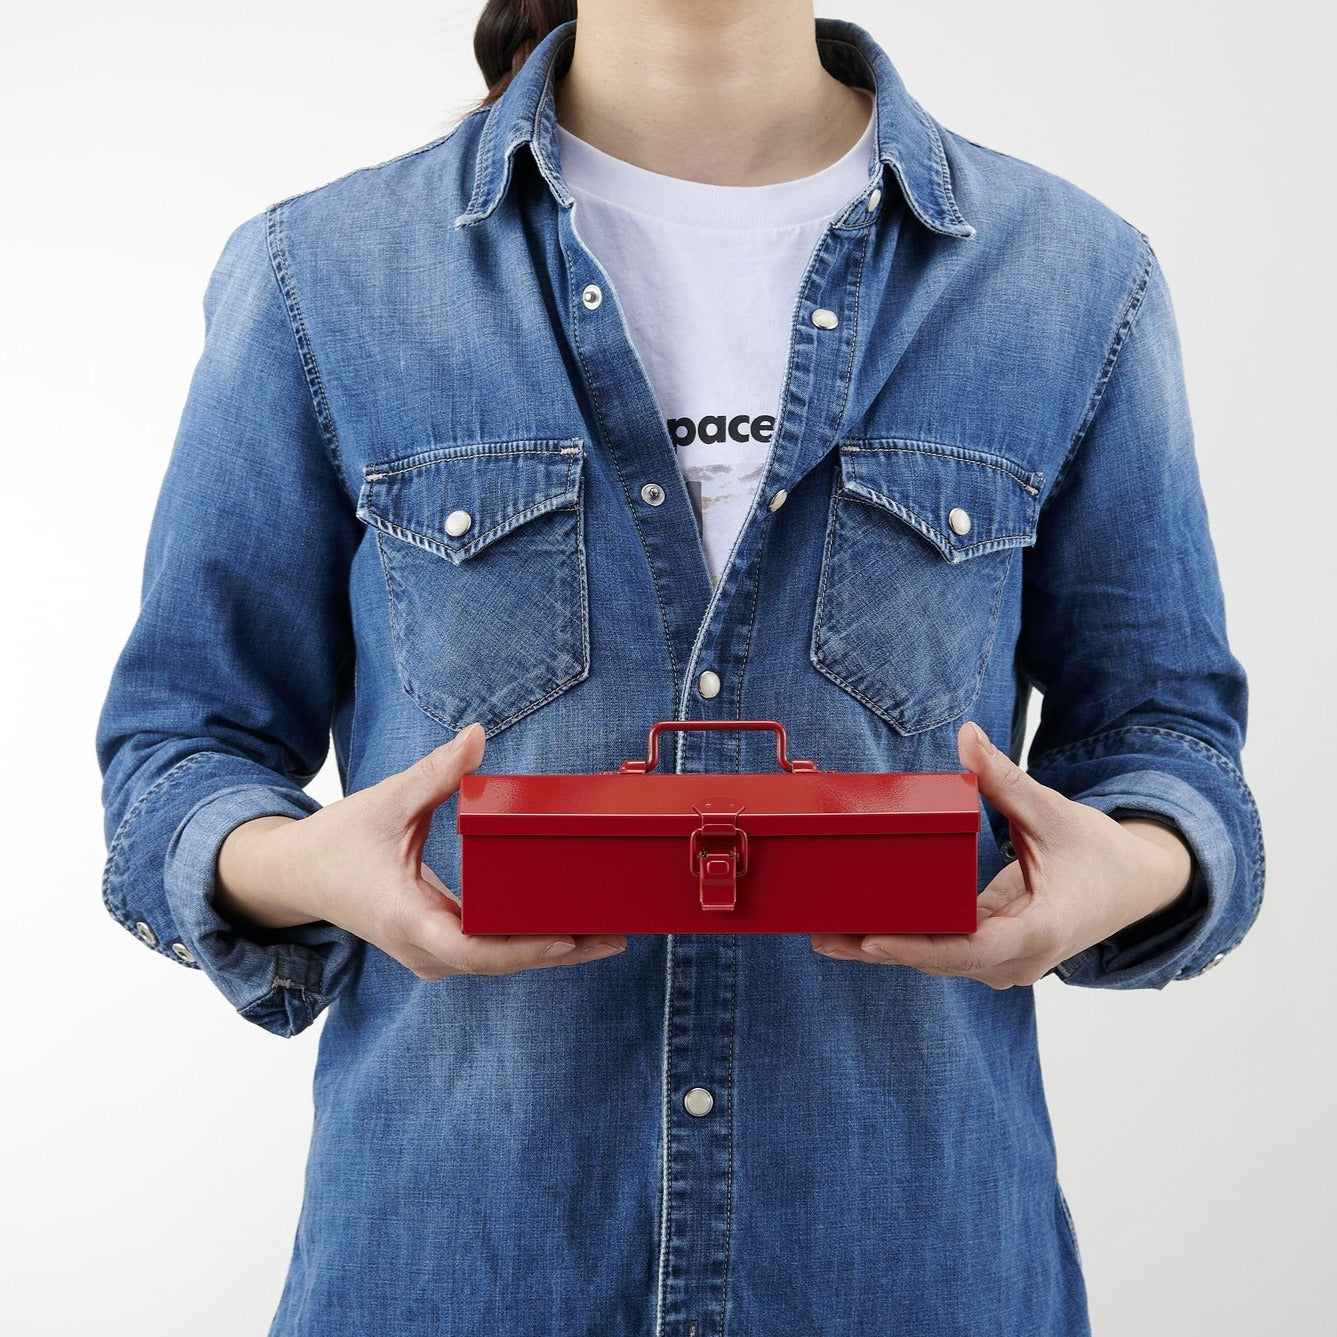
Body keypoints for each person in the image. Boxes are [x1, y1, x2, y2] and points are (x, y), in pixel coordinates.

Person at [94, 2, 1265, 1333]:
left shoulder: (1071, 279)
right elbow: (179, 748)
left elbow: (1168, 738)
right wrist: (303, 868)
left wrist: (1134, 866)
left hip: (909, 1273)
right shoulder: (323, 277)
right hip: (457, 1274)